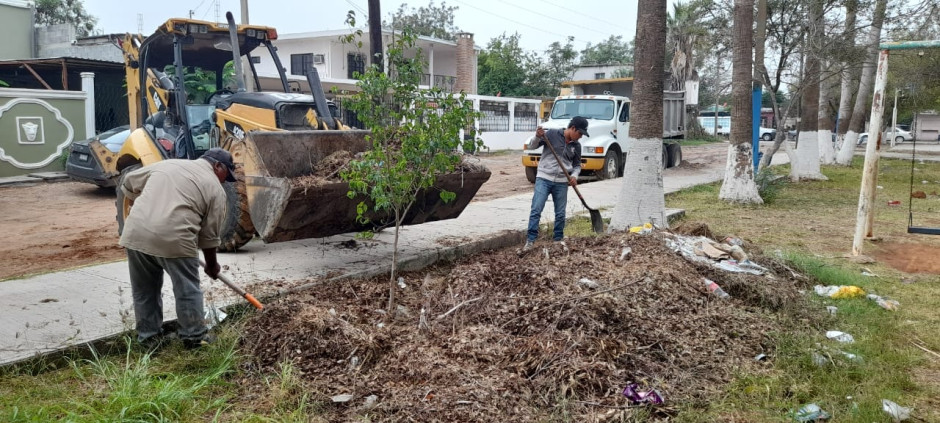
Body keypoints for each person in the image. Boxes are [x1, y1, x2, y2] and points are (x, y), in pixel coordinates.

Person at [118, 148, 235, 349]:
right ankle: (194, 338)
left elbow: (128, 182)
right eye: (227, 175)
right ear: (217, 166)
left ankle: (149, 340)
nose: (225, 181)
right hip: (175, 237)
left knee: (145, 291)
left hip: (136, 233)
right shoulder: (215, 188)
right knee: (187, 290)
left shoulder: (168, 164)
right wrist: (212, 265)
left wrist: (148, 205)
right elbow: (209, 237)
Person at [523, 116, 589, 251]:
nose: (580, 137)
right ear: (573, 128)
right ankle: (530, 240)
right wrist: (537, 136)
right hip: (543, 178)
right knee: (536, 209)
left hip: (561, 182)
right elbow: (532, 146)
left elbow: (577, 165)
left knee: (560, 213)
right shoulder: (552, 134)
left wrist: (574, 176)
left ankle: (557, 240)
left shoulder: (576, 146)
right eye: (580, 133)